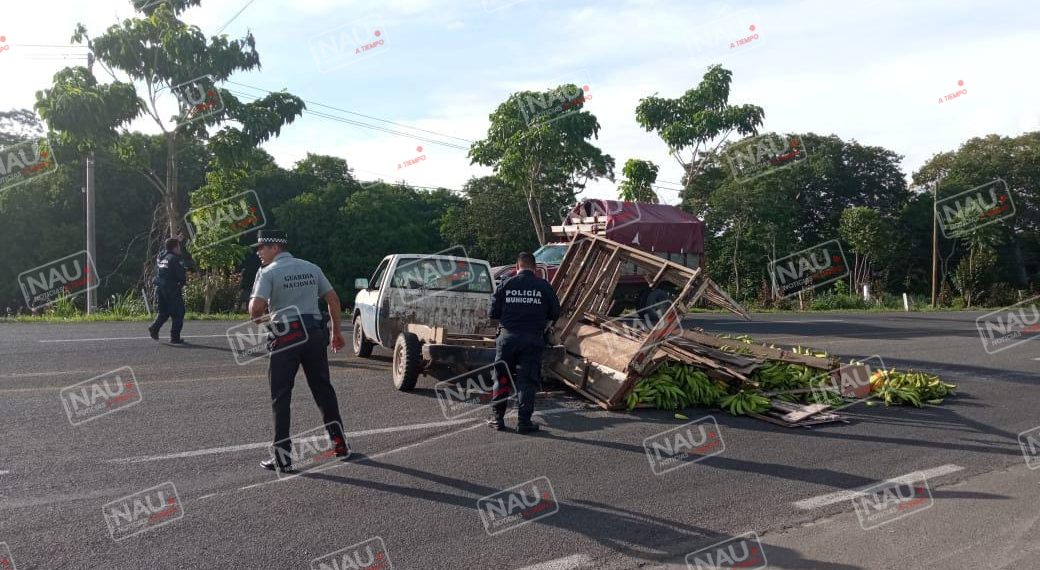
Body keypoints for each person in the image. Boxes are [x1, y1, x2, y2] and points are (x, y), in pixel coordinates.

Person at [248, 230, 349, 473]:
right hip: (314, 332)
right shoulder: (311, 268)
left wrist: (265, 319)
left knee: (281, 397)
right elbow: (333, 300)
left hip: (286, 336)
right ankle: (340, 445)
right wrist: (336, 332)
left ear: (275, 247)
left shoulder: (268, 272)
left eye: (262, 247)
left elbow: (255, 309)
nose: (258, 252)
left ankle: (283, 459)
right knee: (323, 390)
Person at [488, 251, 561, 434]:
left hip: (507, 339)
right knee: (527, 381)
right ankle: (524, 422)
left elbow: (492, 313)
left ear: (517, 266)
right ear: (535, 268)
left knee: (502, 378)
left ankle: (497, 419)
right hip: (532, 339)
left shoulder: (506, 284)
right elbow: (555, 312)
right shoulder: (543, 286)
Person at [148, 237, 187, 344]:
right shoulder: (174, 259)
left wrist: (175, 240)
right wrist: (182, 282)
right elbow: (180, 275)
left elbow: (167, 248)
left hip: (160, 287)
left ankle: (154, 328)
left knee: (164, 312)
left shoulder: (161, 256)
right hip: (171, 288)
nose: (180, 249)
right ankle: (175, 337)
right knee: (178, 313)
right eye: (178, 247)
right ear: (175, 248)